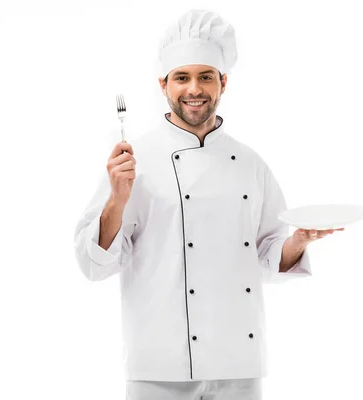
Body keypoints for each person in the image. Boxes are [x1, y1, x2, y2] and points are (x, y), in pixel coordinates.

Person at [73, 9, 343, 400]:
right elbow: (93, 265)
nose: (194, 89)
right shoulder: (134, 161)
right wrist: (117, 198)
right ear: (164, 84)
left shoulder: (251, 164)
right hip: (157, 364)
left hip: (240, 364)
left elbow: (267, 253)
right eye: (182, 77)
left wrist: (297, 241)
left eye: (205, 77)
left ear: (223, 83)